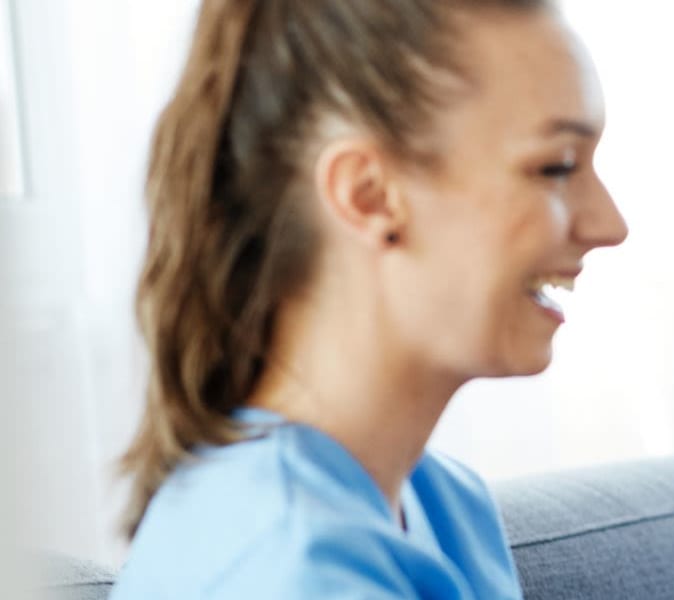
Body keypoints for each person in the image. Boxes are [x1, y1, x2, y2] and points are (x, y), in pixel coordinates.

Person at [111, 0, 626, 596]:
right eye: (555, 167)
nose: (610, 224)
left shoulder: (443, 504)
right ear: (370, 195)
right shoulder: (288, 567)